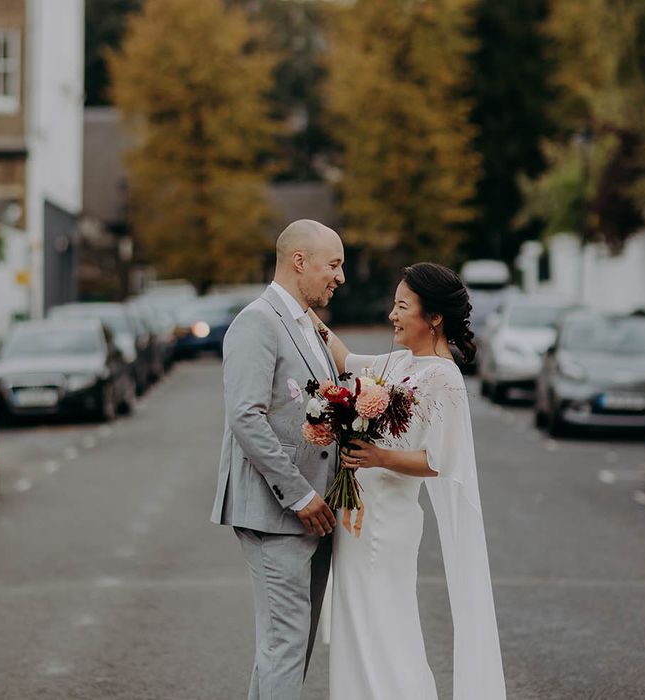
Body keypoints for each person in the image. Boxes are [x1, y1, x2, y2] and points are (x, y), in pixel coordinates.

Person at [311, 262, 507, 699]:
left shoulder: (444, 377)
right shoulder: (400, 361)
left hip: (387, 524)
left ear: (433, 317)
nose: (392, 315)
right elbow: (344, 360)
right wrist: (298, 306)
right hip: (360, 517)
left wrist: (380, 456)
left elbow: (442, 462)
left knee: (386, 627)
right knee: (360, 626)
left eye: (402, 306)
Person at [210, 219, 345, 700]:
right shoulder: (257, 321)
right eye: (334, 265)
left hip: (314, 514)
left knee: (288, 647)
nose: (341, 277)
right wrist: (302, 494)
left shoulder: (308, 325)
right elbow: (245, 418)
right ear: (298, 262)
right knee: (285, 644)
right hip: (278, 512)